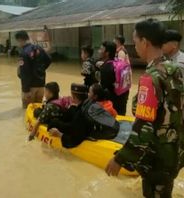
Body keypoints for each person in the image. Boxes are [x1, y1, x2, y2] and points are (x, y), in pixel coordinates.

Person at [105, 19, 183, 198]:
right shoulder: (175, 69)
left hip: (157, 159)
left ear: (145, 42)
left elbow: (144, 127)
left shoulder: (150, 78)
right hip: (174, 151)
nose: (134, 46)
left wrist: (120, 159)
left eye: (136, 41)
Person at [15, 30, 51, 108]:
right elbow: (48, 60)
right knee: (38, 109)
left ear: (20, 40)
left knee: (27, 110)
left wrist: (25, 90)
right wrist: (40, 70)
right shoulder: (39, 49)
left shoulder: (23, 53)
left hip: (30, 87)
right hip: (41, 85)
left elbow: (24, 73)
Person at [48, 84, 90, 148]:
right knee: (71, 109)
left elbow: (74, 140)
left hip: (78, 135)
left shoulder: (80, 114)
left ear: (74, 97)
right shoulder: (87, 104)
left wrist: (59, 134)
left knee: (54, 122)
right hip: (82, 127)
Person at [98, 41, 129, 115]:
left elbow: (104, 88)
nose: (99, 51)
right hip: (122, 98)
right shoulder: (118, 62)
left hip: (112, 103)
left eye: (101, 49)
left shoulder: (105, 67)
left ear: (107, 53)